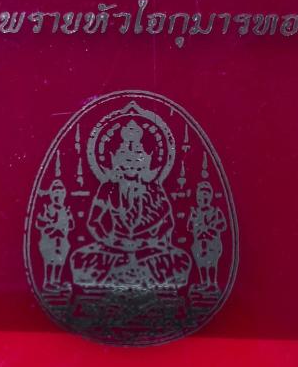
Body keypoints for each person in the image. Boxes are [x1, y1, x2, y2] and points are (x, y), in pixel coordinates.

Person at [70, 119, 191, 289]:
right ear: (116, 161)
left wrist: (148, 242)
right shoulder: (108, 188)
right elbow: (94, 222)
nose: (131, 165)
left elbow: (167, 223)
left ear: (146, 162)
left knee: (181, 260)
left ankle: (131, 274)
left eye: (137, 160)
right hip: (114, 247)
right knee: (80, 259)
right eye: (126, 160)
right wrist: (111, 240)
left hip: (147, 249)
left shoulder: (154, 188)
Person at [36, 179, 74, 291]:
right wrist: (51, 225)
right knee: (50, 261)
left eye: (61, 192)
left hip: (62, 241)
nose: (58, 195)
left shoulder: (66, 209)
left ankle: (57, 281)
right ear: (51, 194)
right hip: (49, 241)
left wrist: (67, 219)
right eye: (56, 192)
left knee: (59, 261)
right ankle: (48, 281)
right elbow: (39, 223)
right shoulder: (47, 208)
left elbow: (71, 225)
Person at [188, 181, 226, 291]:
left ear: (210, 197)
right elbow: (190, 227)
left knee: (212, 262)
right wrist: (195, 222)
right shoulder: (195, 212)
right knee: (201, 263)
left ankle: (213, 283)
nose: (202, 199)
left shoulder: (215, 211)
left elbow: (222, 225)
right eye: (200, 196)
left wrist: (212, 226)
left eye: (205, 195)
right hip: (199, 243)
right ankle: (204, 282)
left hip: (212, 243)